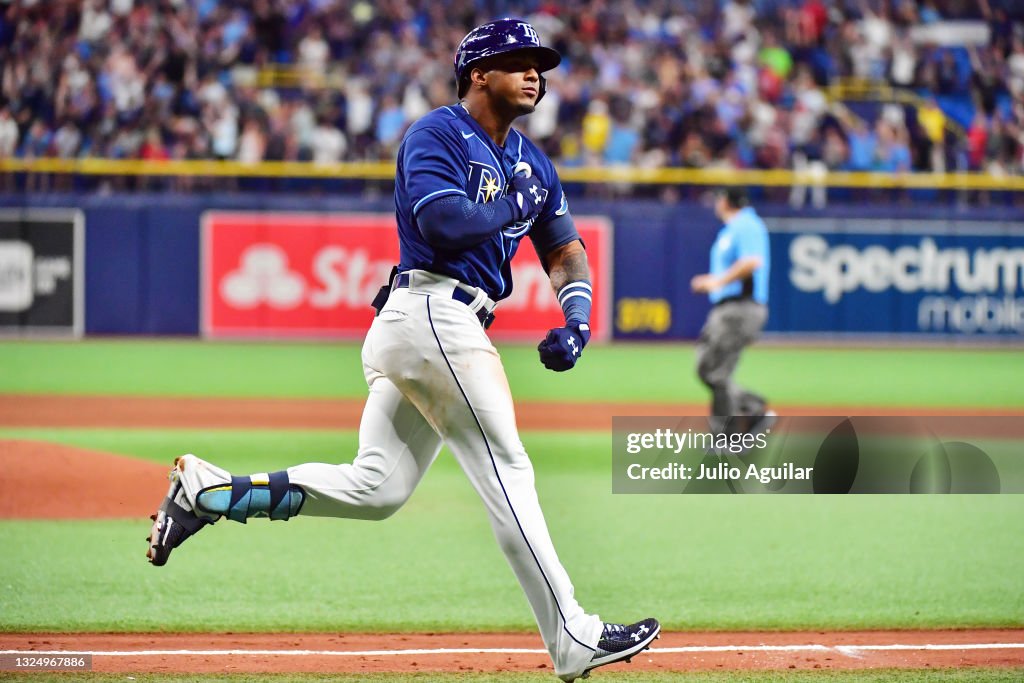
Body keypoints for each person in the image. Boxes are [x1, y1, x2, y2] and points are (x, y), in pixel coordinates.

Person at [146, 18, 659, 682]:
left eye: (541, 63)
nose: (536, 72)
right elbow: (438, 219)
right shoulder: (438, 134)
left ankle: (210, 489)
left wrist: (578, 315)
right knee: (510, 468)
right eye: (520, 60)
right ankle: (574, 636)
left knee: (378, 485)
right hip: (431, 312)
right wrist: (508, 206)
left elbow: (564, 250)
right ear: (478, 72)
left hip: (438, 327)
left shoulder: (533, 161)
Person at [690, 187, 772, 435]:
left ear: (725, 201)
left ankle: (727, 435)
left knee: (716, 372)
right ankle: (753, 410)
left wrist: (717, 281)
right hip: (728, 308)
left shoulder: (746, 224)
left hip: (740, 306)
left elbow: (752, 262)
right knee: (707, 369)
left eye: (718, 198)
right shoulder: (733, 228)